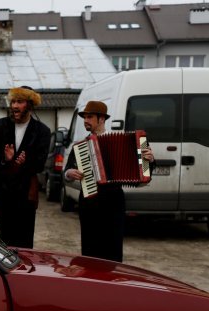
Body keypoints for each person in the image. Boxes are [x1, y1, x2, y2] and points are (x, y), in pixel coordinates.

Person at [63, 100, 156, 262]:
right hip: (89, 201)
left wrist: (150, 161)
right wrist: (69, 173)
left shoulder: (130, 142)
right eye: (84, 117)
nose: (85, 120)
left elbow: (144, 178)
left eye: (89, 117)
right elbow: (66, 175)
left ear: (101, 119)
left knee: (112, 249)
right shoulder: (80, 146)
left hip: (113, 201)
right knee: (90, 249)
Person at [0, 86, 51, 249]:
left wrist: (24, 164)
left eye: (19, 102)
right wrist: (6, 160)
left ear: (30, 104)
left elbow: (40, 164)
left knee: (22, 242)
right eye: (13, 101)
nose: (14, 106)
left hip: (24, 196)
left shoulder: (42, 131)